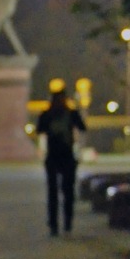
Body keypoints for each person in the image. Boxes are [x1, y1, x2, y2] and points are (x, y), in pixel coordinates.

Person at [35, 83, 87, 235]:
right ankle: (55, 224)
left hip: (64, 156)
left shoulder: (67, 114)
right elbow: (40, 129)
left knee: (66, 191)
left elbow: (82, 127)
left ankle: (65, 222)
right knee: (55, 192)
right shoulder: (51, 114)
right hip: (56, 156)